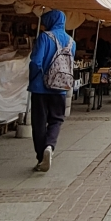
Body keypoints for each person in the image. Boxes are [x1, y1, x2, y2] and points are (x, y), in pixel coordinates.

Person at [28, 9, 75, 173]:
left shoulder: (44, 37)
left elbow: (36, 62)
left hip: (40, 87)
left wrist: (33, 78)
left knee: (39, 122)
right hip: (60, 87)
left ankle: (41, 157)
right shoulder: (71, 41)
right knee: (56, 120)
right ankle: (50, 146)